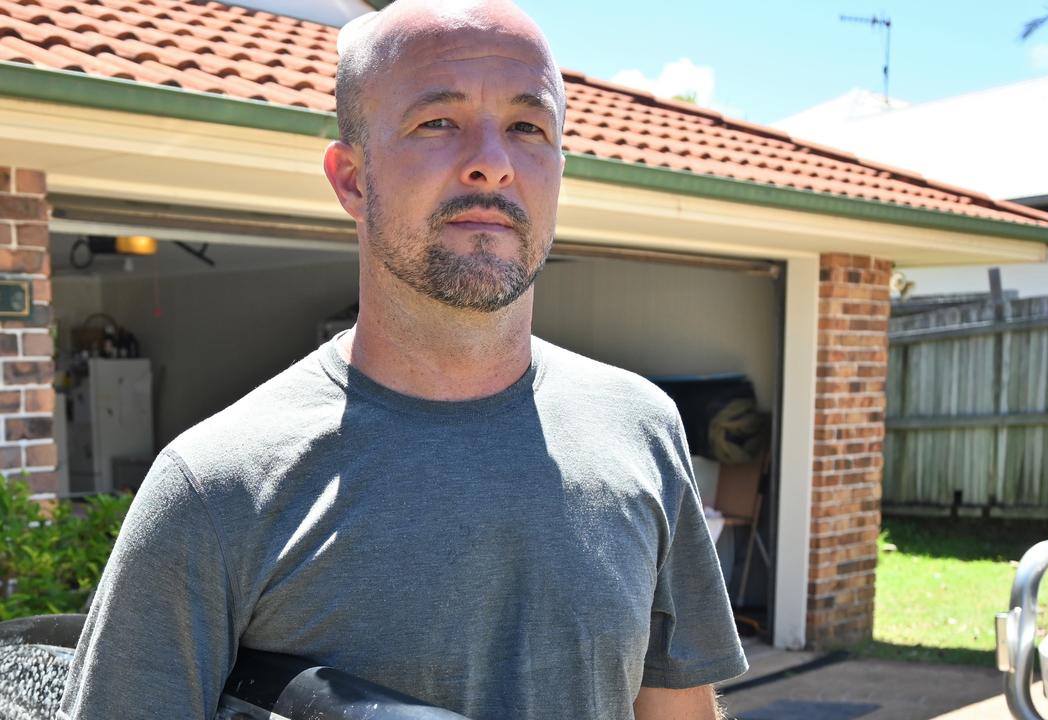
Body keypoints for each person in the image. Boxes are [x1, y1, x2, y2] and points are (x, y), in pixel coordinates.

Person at [57, 1, 747, 718]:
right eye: (438, 123)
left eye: (527, 127)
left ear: (559, 170)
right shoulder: (215, 489)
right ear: (352, 179)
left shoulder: (640, 428)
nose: (492, 164)